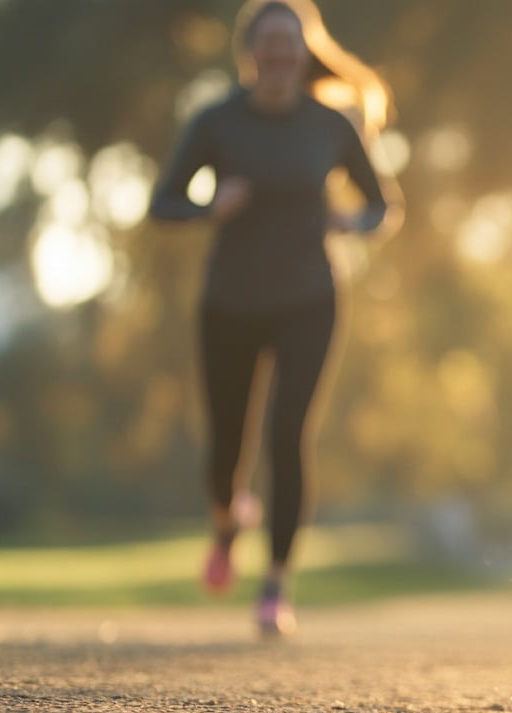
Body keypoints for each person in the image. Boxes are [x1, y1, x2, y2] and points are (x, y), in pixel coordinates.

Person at [148, 0, 401, 634]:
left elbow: (382, 206)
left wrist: (353, 221)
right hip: (228, 302)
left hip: (309, 300)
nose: (280, 53)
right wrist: (210, 206)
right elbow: (163, 203)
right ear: (250, 51)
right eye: (269, 41)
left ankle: (276, 584)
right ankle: (227, 520)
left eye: (291, 42)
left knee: (288, 436)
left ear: (304, 51)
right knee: (225, 447)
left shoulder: (330, 125)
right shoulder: (216, 121)